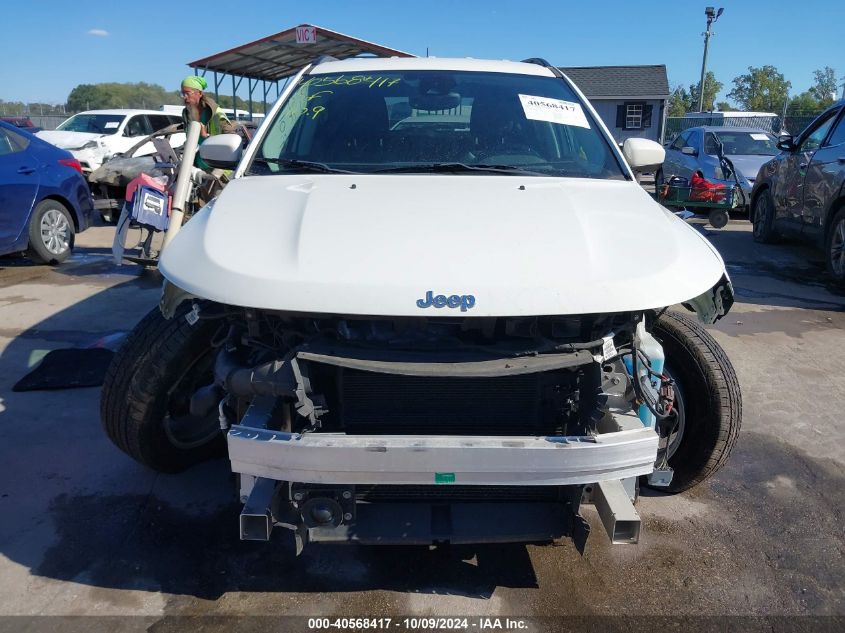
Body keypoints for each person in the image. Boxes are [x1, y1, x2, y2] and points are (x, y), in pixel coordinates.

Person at [179, 75, 236, 140]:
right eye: (182, 94)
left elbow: (231, 139)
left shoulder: (217, 113)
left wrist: (206, 136)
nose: (184, 97)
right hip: (194, 150)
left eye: (187, 93)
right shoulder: (186, 113)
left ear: (200, 93)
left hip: (213, 150)